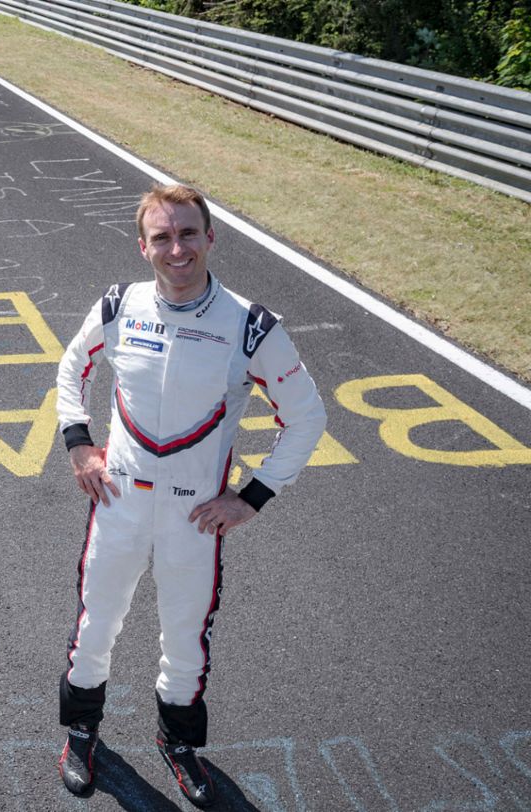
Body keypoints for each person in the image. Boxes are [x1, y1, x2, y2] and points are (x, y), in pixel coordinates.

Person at [53, 184, 326, 807]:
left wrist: (251, 499)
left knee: (185, 639)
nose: (177, 249)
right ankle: (81, 732)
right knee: (96, 627)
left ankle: (178, 746)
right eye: (162, 237)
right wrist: (78, 444)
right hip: (118, 503)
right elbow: (74, 369)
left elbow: (307, 417)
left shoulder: (251, 326)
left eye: (188, 234)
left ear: (210, 237)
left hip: (195, 516)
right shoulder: (120, 304)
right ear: (143, 246)